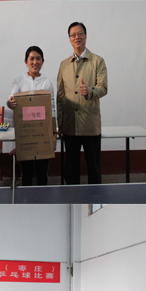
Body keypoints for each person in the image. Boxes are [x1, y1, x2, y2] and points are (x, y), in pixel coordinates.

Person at [57, 22, 108, 185]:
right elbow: (60, 96)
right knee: (71, 169)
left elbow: (104, 88)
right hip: (70, 125)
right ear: (69, 39)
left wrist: (90, 91)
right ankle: (72, 196)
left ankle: (95, 197)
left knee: (94, 168)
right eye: (73, 35)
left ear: (85, 36)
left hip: (90, 125)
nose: (77, 37)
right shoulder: (64, 65)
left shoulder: (98, 61)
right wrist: (60, 124)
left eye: (80, 34)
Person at [7, 45, 57, 186]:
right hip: (25, 135)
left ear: (43, 61)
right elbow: (12, 97)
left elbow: (52, 110)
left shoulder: (47, 82)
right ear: (26, 61)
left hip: (43, 134)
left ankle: (43, 198)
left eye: (38, 59)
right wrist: (10, 102)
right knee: (26, 174)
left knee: (42, 173)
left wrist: (53, 134)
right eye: (32, 59)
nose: (35, 62)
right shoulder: (18, 80)